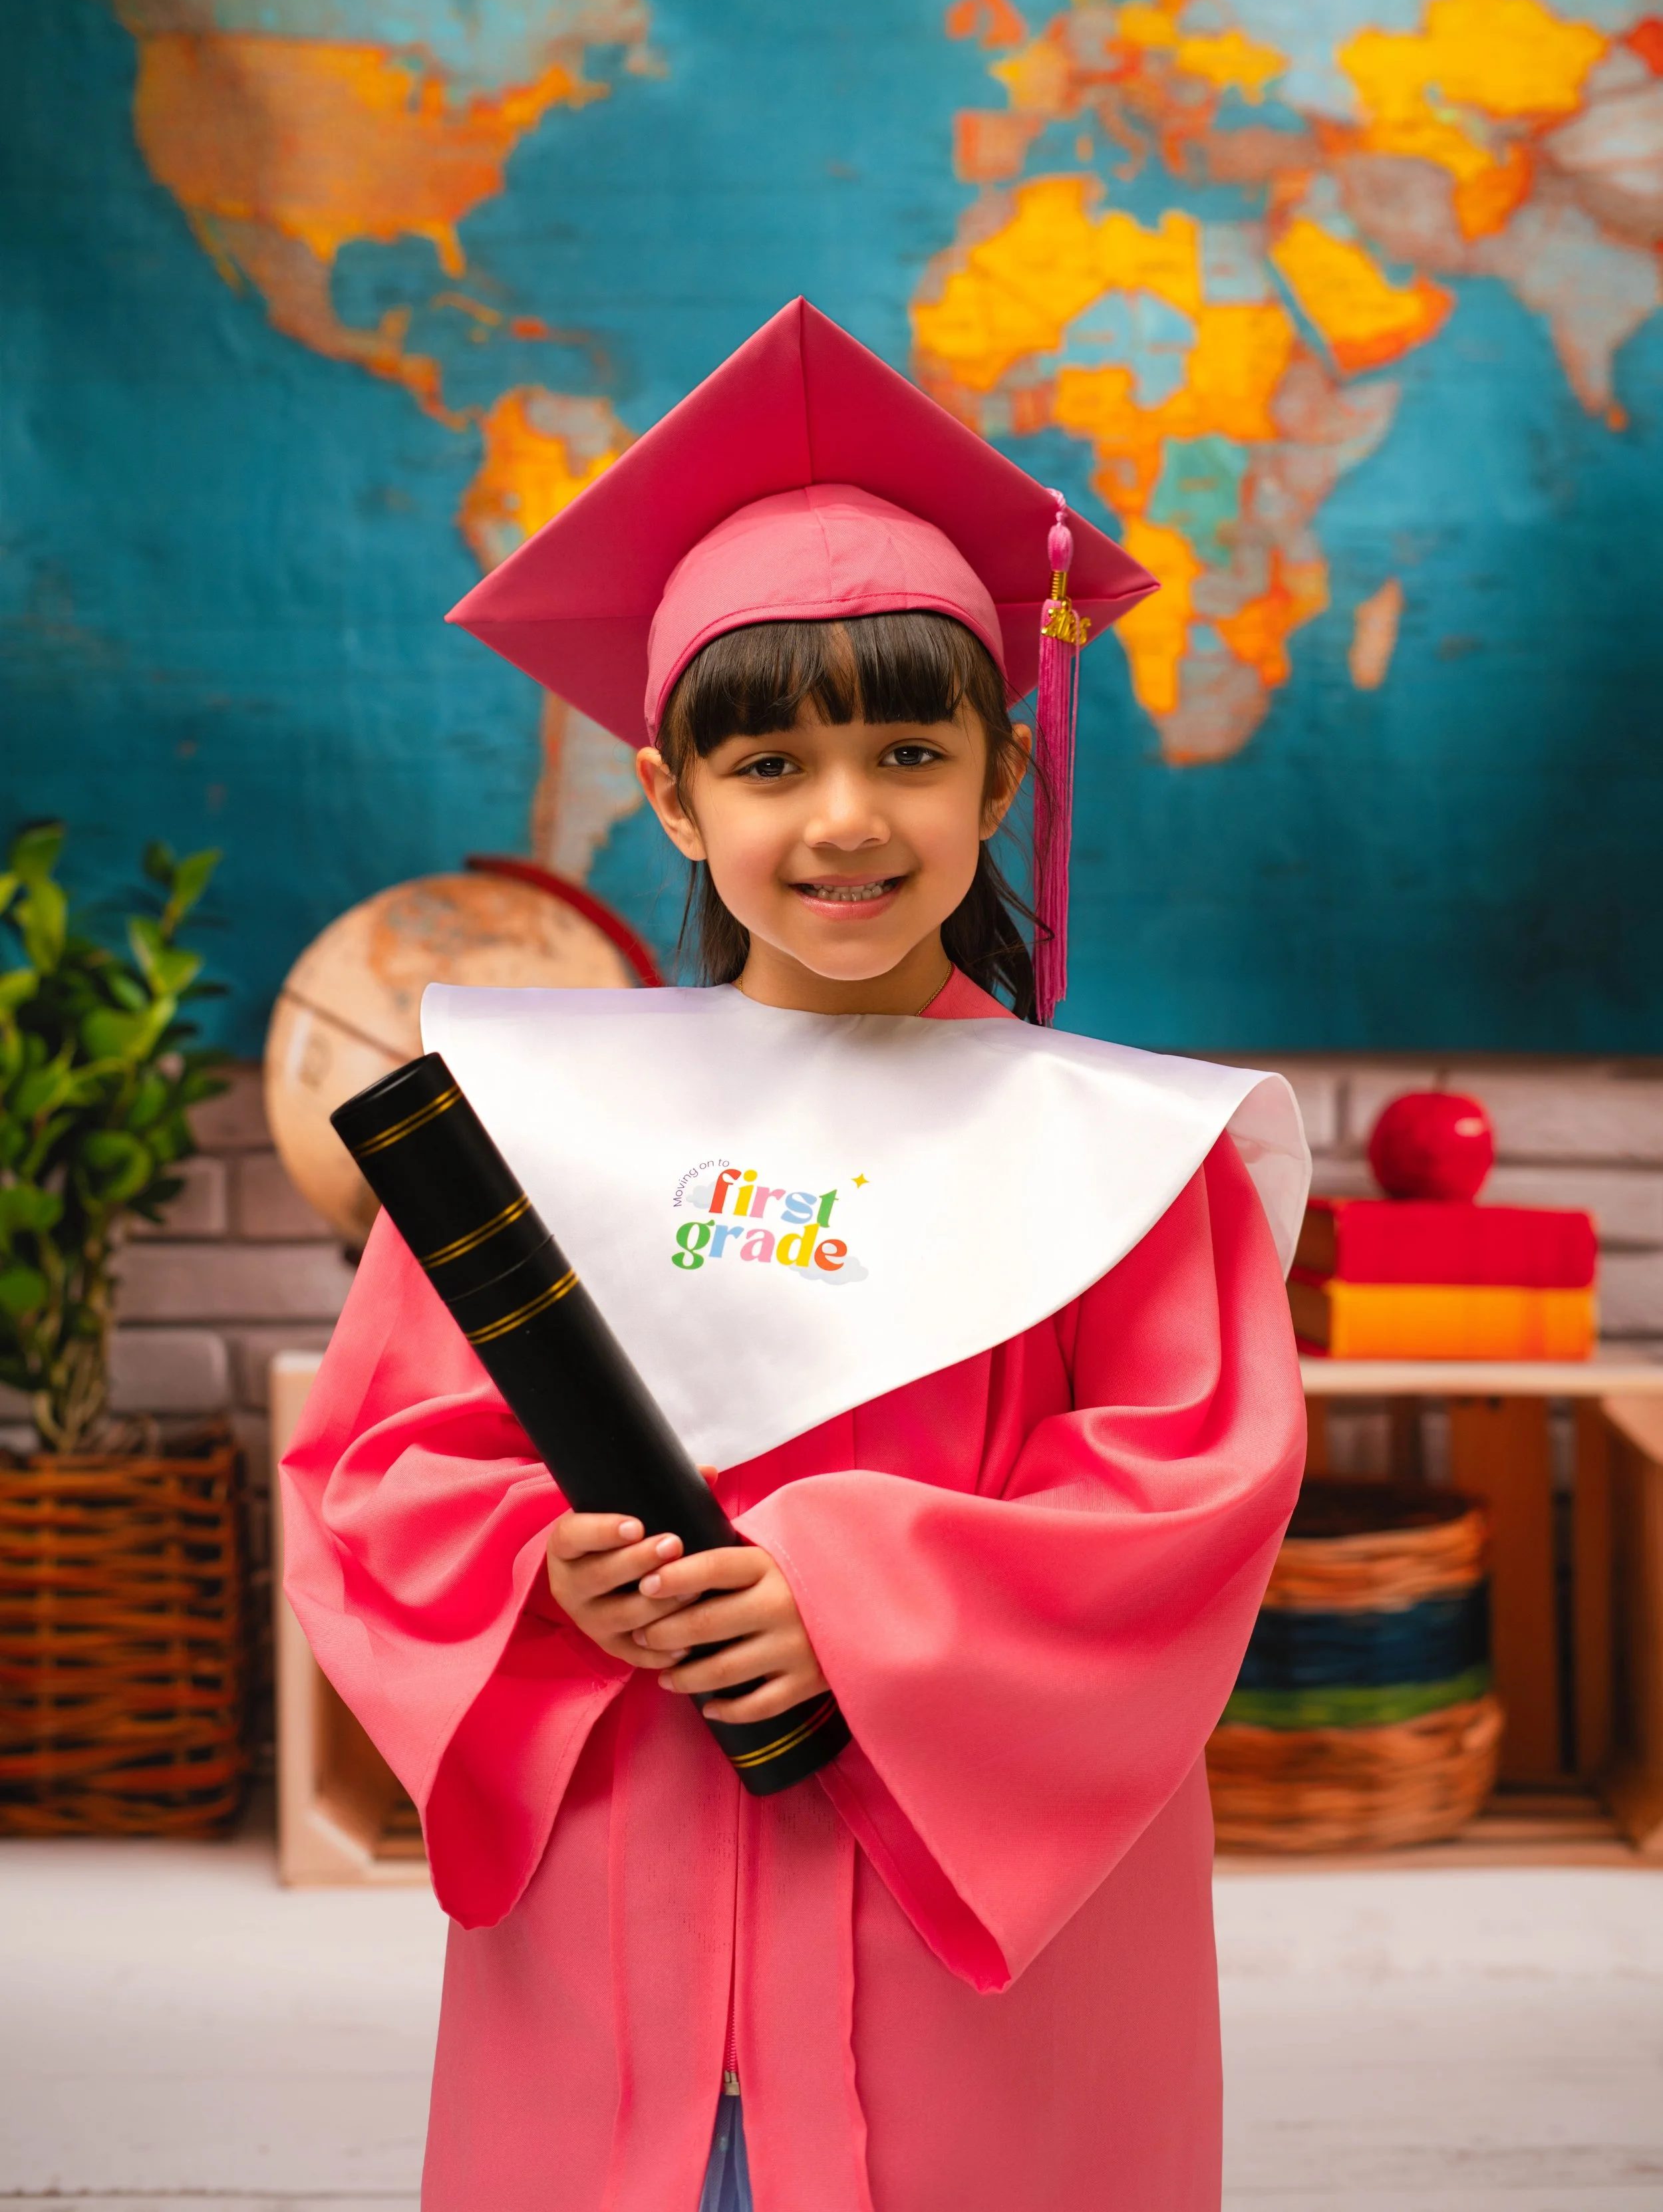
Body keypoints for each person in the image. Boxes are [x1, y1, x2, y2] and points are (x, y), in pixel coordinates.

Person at [282, 299, 1309, 2212]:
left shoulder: (1123, 1159)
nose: (844, 821)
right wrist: (540, 1567)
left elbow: (1184, 1503)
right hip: (620, 1908)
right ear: (670, 797)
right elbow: (380, 1468)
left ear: (999, 776)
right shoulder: (533, 1122)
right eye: (765, 767)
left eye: (908, 749)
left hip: (968, 1976)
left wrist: (844, 1593)